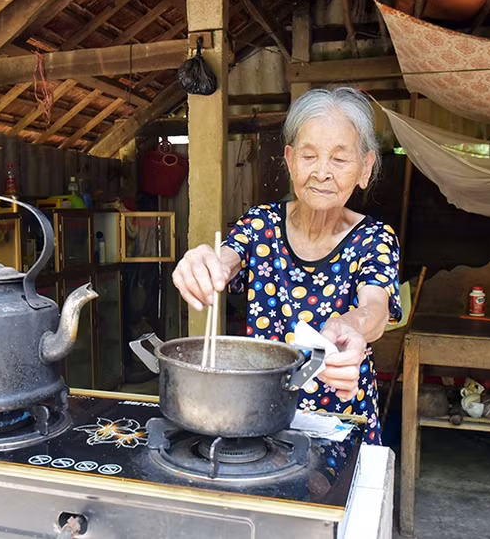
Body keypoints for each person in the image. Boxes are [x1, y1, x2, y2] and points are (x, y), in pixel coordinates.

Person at [172, 87, 402, 445]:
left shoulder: (374, 237)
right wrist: (205, 262)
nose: (322, 172)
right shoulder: (261, 223)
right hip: (257, 412)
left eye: (340, 160)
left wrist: (348, 327)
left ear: (365, 168)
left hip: (340, 418)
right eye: (309, 156)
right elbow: (228, 259)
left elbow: (375, 307)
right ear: (290, 160)